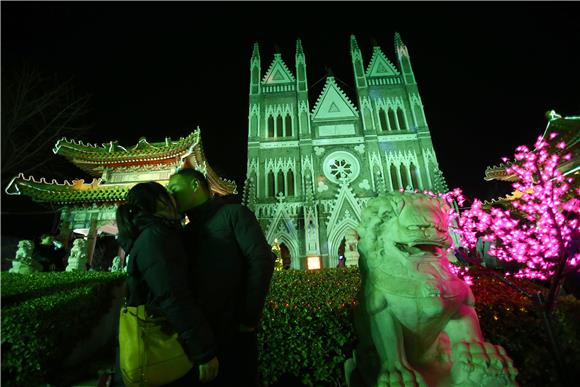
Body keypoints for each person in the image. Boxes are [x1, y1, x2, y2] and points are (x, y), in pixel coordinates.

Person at [167, 168, 275, 387]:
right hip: (198, 341)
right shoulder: (186, 233)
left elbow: (261, 260)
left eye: (174, 188)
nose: (170, 194)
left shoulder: (234, 215)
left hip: (233, 336)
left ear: (195, 186)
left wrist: (248, 319)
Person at [112, 181, 219, 386]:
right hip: (159, 349)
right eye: (168, 193)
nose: (174, 197)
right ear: (159, 202)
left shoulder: (152, 234)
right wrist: (203, 351)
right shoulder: (155, 238)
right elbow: (173, 297)